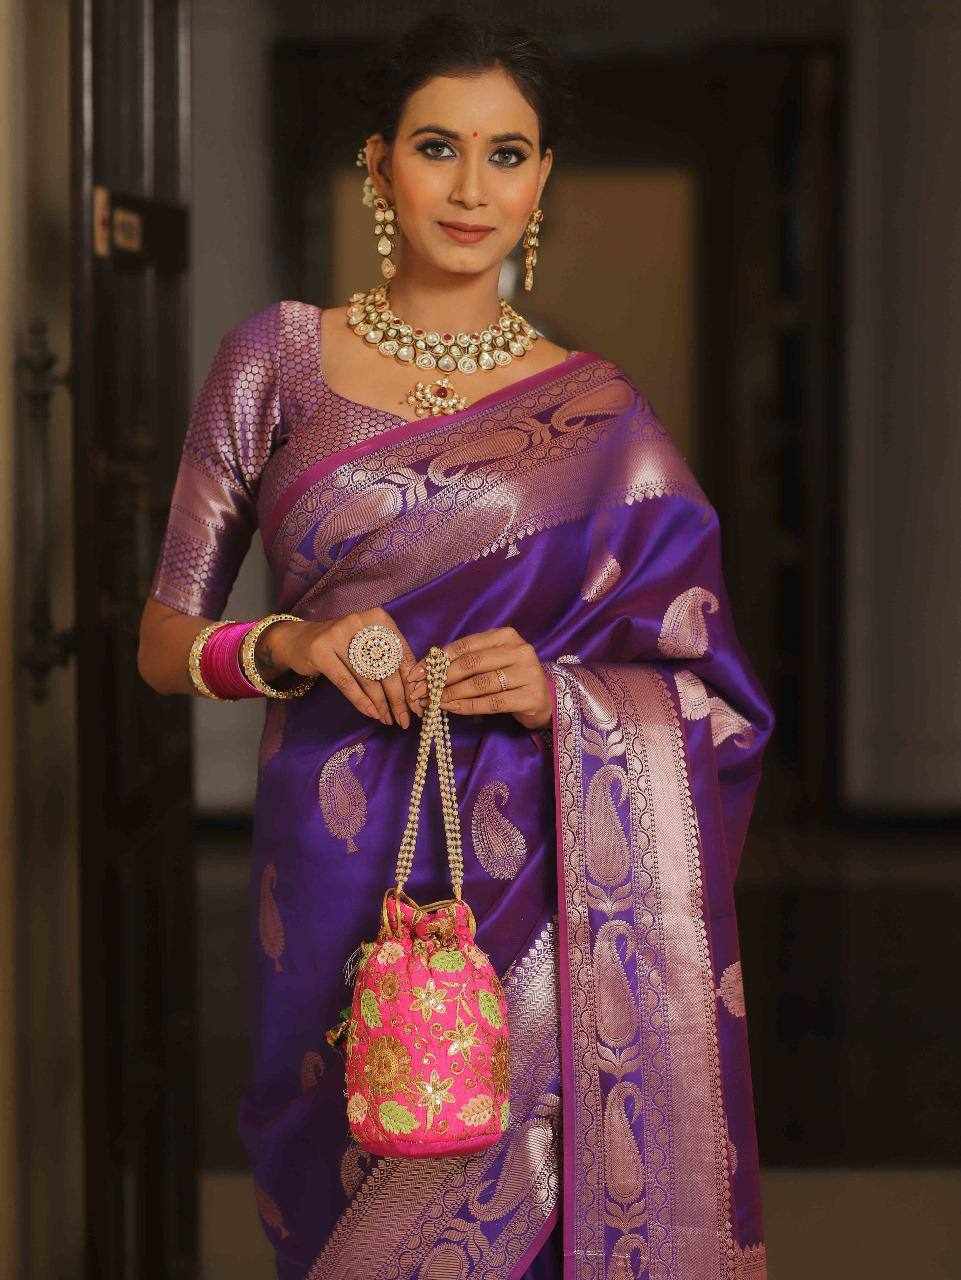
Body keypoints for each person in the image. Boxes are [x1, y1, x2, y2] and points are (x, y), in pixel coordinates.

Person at [138, 12, 775, 1279]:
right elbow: (163, 641)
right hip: (331, 860)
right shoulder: (278, 359)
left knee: (535, 1183)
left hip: (538, 872)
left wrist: (564, 694)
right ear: (379, 164)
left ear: (542, 179)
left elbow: (714, 690)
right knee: (335, 1171)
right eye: (438, 147)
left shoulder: (599, 415)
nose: (472, 188)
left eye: (506, 154)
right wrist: (296, 641)